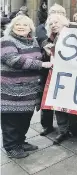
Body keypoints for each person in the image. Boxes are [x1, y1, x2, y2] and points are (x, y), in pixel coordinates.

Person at [1, 15, 52, 159]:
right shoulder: (6, 41)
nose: (21, 27)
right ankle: (11, 147)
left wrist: (45, 51)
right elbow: (14, 60)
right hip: (11, 91)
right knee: (11, 120)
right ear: (12, 26)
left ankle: (20, 142)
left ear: (30, 28)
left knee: (24, 118)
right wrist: (41, 64)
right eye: (18, 24)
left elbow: (36, 56)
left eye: (25, 24)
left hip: (29, 91)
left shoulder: (33, 41)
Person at [41, 14, 77, 145]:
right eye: (51, 23)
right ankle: (63, 130)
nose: (54, 25)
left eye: (57, 22)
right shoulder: (50, 38)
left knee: (72, 102)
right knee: (58, 103)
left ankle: (72, 127)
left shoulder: (73, 32)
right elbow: (46, 59)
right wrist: (47, 52)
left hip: (72, 75)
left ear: (64, 22)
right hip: (57, 76)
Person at [36, 4, 67, 137]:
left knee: (60, 102)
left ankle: (64, 130)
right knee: (45, 100)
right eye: (52, 22)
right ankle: (46, 126)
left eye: (59, 15)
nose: (54, 24)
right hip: (46, 73)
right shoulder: (45, 33)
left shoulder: (69, 34)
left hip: (63, 75)